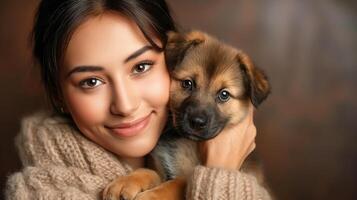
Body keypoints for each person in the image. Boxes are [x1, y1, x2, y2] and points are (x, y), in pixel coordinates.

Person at [5, 0, 271, 199]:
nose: (125, 104)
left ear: (168, 62)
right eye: (91, 81)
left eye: (141, 67)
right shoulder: (40, 191)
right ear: (57, 94)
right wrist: (221, 177)